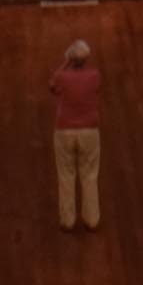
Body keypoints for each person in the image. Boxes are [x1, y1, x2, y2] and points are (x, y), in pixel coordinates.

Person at [48, 39, 105, 232]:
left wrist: (65, 62)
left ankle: (68, 220)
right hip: (89, 130)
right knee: (89, 175)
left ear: (72, 59)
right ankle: (91, 219)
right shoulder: (95, 75)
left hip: (64, 129)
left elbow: (52, 86)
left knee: (66, 175)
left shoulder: (62, 77)